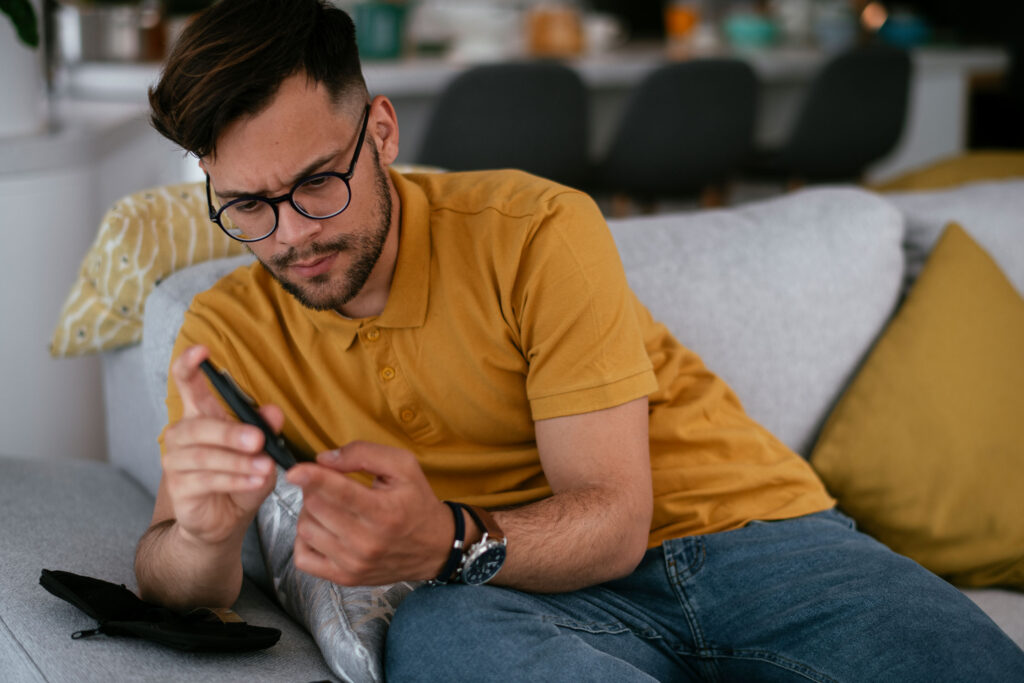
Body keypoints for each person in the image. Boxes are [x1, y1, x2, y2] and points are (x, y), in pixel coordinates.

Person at [134, 1, 1024, 680]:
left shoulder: (533, 228)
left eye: (317, 183)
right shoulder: (229, 331)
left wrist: (440, 538)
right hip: (513, 597)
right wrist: (207, 536)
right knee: (438, 638)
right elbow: (173, 573)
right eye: (248, 205)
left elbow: (613, 520)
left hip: (756, 538)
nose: (290, 234)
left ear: (382, 133)